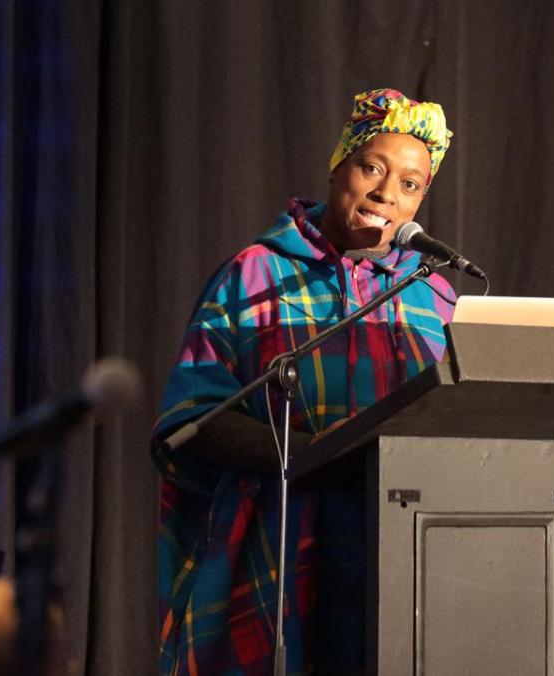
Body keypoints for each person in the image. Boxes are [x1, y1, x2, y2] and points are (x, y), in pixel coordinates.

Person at [151, 88, 456, 674]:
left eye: (411, 184)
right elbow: (189, 423)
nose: (387, 195)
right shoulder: (256, 273)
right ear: (339, 164)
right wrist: (309, 452)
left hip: (398, 558)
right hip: (281, 543)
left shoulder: (434, 294)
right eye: (372, 168)